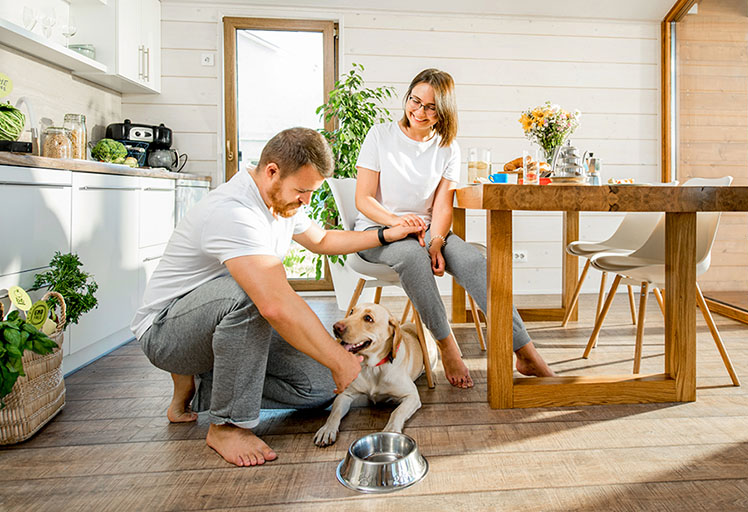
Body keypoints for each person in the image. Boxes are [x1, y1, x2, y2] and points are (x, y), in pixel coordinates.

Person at [130, 127, 422, 467]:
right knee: (256, 294)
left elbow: (323, 240)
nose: (306, 201)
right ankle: (227, 425)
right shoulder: (233, 211)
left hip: (222, 331)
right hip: (167, 333)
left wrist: (387, 233)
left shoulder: (280, 203)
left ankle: (203, 388)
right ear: (272, 171)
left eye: (310, 192)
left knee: (319, 387)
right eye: (302, 190)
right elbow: (273, 303)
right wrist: (340, 358)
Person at [354, 69, 555, 389]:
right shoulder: (380, 136)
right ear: (406, 98)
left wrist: (435, 242)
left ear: (444, 111)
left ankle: (526, 351)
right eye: (414, 101)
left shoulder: (448, 147)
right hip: (379, 230)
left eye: (430, 107)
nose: (419, 112)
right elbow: (363, 199)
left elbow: (443, 205)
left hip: (426, 230)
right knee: (411, 256)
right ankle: (448, 347)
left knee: (475, 261)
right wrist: (398, 223)